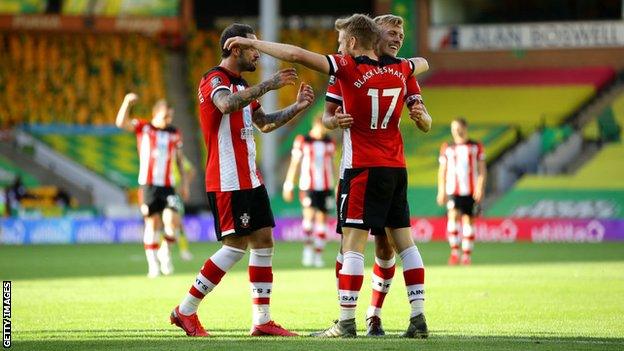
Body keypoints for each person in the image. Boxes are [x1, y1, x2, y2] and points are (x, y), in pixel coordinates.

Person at [224, 13, 431, 338]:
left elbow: (294, 54)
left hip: (362, 168)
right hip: (396, 168)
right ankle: (418, 318)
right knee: (406, 243)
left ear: (351, 42)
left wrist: (251, 41)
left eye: (340, 42)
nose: (337, 47)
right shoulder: (403, 69)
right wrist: (335, 121)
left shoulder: (348, 67)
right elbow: (422, 63)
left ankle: (346, 322)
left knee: (351, 244)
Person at [169, 23, 314, 337]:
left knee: (263, 242)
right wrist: (269, 84)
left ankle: (262, 320)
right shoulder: (215, 80)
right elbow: (225, 104)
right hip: (228, 178)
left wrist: (297, 107)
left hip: (250, 178)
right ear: (235, 48)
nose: (258, 54)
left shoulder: (242, 85)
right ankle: (185, 310)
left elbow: (264, 123)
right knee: (234, 247)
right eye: (254, 48)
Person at [322, 14, 431, 336]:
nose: (398, 37)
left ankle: (367, 315)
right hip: (375, 168)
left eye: (401, 32)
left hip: (371, 167)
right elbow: (326, 118)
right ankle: (370, 315)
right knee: (363, 246)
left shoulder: (401, 71)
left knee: (381, 248)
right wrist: (334, 121)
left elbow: (425, 123)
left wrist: (422, 117)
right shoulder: (350, 68)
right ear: (374, 35)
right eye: (392, 32)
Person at [116, 95, 190, 278]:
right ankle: (153, 265)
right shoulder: (144, 127)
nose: (168, 120)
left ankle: (165, 251)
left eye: (170, 116)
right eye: (165, 116)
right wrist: (126, 102)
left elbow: (180, 160)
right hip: (148, 185)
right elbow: (121, 123)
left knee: (172, 220)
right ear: (155, 114)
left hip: (168, 185)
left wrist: (185, 183)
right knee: (152, 223)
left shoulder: (174, 132)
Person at [282, 117, 336, 268]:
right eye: (321, 127)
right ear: (315, 125)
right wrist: (288, 184)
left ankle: (318, 254)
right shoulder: (303, 141)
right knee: (308, 218)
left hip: (325, 187)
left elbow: (333, 164)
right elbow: (295, 164)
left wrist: (338, 184)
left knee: (322, 220)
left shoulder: (329, 142)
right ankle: (307, 251)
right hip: (308, 186)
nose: (323, 130)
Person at [437, 117, 486, 265]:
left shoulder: (475, 146)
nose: (456, 131)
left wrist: (480, 187)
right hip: (453, 189)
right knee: (452, 216)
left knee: (468, 221)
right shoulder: (447, 147)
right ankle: (454, 252)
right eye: (453, 128)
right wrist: (441, 190)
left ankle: (466, 256)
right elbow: (442, 171)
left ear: (465, 128)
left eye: (458, 128)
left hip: (470, 190)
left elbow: (482, 169)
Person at [169, 154, 196, 261]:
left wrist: (184, 186)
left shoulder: (177, 156)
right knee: (162, 224)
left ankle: (183, 251)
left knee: (178, 223)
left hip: (174, 193)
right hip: (162, 191)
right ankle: (164, 251)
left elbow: (191, 171)